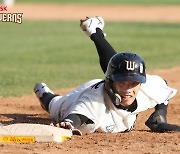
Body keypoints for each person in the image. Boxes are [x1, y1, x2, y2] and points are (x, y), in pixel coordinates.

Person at [34, 16, 180, 135]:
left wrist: (160, 114)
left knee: (121, 69)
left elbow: (162, 85)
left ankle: (94, 31)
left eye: (133, 83)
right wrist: (68, 124)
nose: (129, 89)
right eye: (123, 83)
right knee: (54, 104)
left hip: (108, 84)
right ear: (110, 82)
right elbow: (76, 117)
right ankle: (43, 92)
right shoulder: (92, 102)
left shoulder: (146, 88)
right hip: (76, 99)